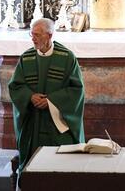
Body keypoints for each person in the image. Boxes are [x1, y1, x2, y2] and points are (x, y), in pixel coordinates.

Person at [9, 18, 85, 184]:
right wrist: (30, 96)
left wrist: (51, 101)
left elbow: (76, 90)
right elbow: (15, 86)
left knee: (59, 172)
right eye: (32, 34)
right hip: (32, 123)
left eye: (37, 35)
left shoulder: (66, 58)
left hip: (58, 124)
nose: (33, 39)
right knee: (33, 170)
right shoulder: (26, 57)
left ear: (49, 35)